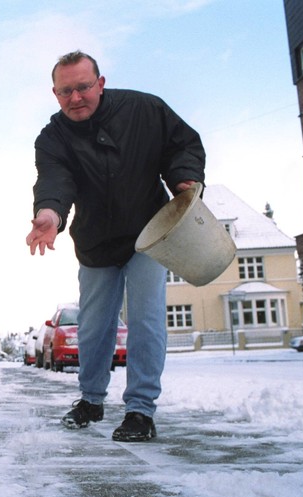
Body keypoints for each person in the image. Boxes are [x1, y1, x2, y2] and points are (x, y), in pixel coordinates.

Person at [26, 51, 205, 442]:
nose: (75, 98)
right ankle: (91, 400)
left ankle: (140, 411)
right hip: (95, 242)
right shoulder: (53, 137)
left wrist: (184, 179)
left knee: (145, 321)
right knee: (93, 327)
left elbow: (181, 146)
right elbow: (55, 181)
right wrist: (50, 215)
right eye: (65, 91)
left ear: (100, 83)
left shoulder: (144, 110)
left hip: (149, 233)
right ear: (55, 94)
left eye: (83, 87)